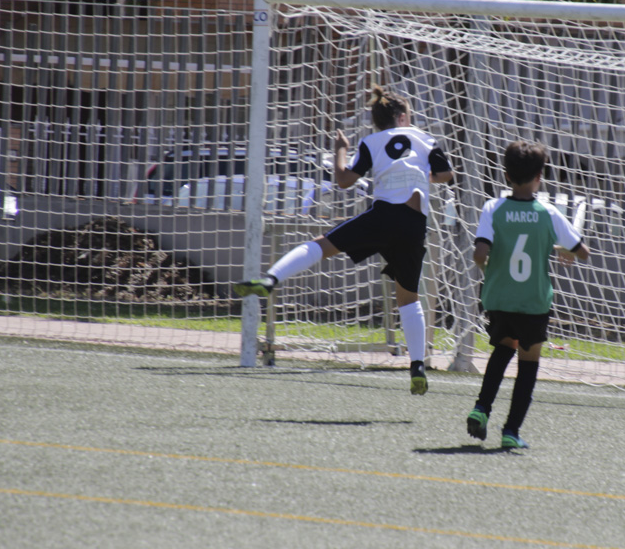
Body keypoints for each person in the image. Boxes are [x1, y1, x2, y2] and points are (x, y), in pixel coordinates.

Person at [234, 86, 453, 395]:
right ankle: (417, 364)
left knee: (322, 245)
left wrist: (341, 148)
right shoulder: (425, 138)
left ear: (377, 122)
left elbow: (343, 181)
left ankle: (271, 278)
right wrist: (422, 173)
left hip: (382, 216)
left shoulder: (370, 142)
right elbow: (446, 174)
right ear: (404, 117)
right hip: (414, 224)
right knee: (409, 298)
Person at [466, 141, 590, 449]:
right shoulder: (547, 212)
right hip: (533, 301)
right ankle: (511, 431)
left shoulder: (492, 208)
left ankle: (481, 408)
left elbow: (480, 252)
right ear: (540, 176)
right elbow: (583, 252)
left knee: (503, 347)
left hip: (500, 298)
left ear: (506, 174)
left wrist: (488, 268)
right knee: (528, 364)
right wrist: (564, 250)